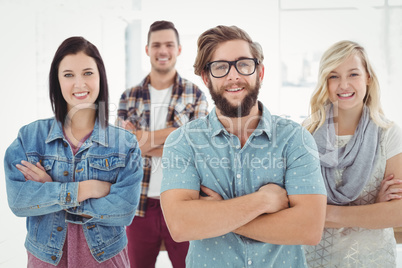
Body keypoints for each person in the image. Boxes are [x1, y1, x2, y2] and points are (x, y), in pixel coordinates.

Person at [160, 25, 327, 268]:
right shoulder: (183, 142)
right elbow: (181, 226)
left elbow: (309, 228)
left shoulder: (296, 139)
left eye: (244, 64)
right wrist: (264, 201)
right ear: (206, 78)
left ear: (260, 72)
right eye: (220, 67)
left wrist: (216, 216)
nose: (233, 76)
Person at [4, 36, 143, 267]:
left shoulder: (125, 144)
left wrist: (51, 190)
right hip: (46, 260)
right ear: (57, 81)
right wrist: (85, 189)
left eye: (88, 73)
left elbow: (123, 211)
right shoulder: (30, 138)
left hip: (106, 260)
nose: (80, 84)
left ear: (100, 77)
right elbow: (20, 201)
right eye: (68, 75)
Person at [116, 20, 208, 268]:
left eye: (169, 44)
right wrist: (176, 136)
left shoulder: (195, 94)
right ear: (147, 49)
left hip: (183, 201)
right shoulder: (129, 96)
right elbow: (122, 148)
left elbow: (196, 148)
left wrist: (141, 140)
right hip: (138, 204)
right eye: (156, 45)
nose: (162, 50)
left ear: (178, 49)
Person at [303, 40, 402, 267]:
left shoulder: (389, 134)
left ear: (368, 77)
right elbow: (295, 208)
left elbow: (398, 213)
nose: (344, 85)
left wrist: (326, 215)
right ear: (324, 82)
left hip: (372, 260)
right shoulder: (305, 133)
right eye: (334, 76)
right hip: (315, 259)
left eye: (353, 74)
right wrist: (374, 212)